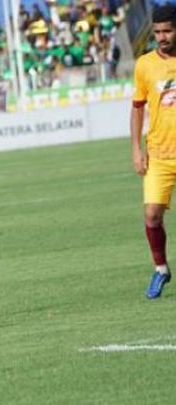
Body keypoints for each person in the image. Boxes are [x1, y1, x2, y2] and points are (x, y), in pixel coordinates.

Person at [132, 5, 176, 299]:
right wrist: (136, 148)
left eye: (168, 31)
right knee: (151, 215)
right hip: (159, 153)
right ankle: (160, 269)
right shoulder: (145, 65)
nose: (161, 36)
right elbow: (136, 109)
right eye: (157, 31)